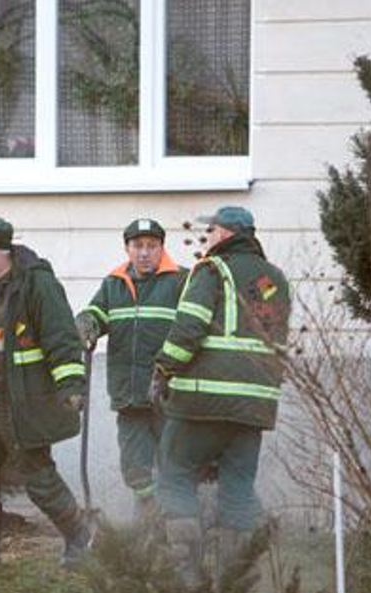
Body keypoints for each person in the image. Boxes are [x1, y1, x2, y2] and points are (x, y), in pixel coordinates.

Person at [150, 206, 291, 586]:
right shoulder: (273, 279)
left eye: (209, 230)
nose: (206, 237)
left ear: (226, 234)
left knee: (176, 476)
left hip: (202, 402)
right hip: (254, 406)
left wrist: (164, 368)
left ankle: (186, 575)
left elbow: (189, 327)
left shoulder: (213, 270)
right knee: (239, 488)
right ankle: (237, 578)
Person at [0, 216, 93, 573]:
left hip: (21, 402)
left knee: (38, 478)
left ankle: (79, 538)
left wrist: (72, 386)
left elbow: (61, 339)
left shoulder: (37, 285)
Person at [74, 218, 186, 522]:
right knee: (135, 467)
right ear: (127, 249)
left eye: (152, 246)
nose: (145, 253)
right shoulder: (114, 284)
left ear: (162, 248)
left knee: (174, 463)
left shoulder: (181, 281)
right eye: (138, 246)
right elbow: (96, 313)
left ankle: (179, 526)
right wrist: (88, 322)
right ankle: (149, 517)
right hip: (129, 393)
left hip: (171, 395)